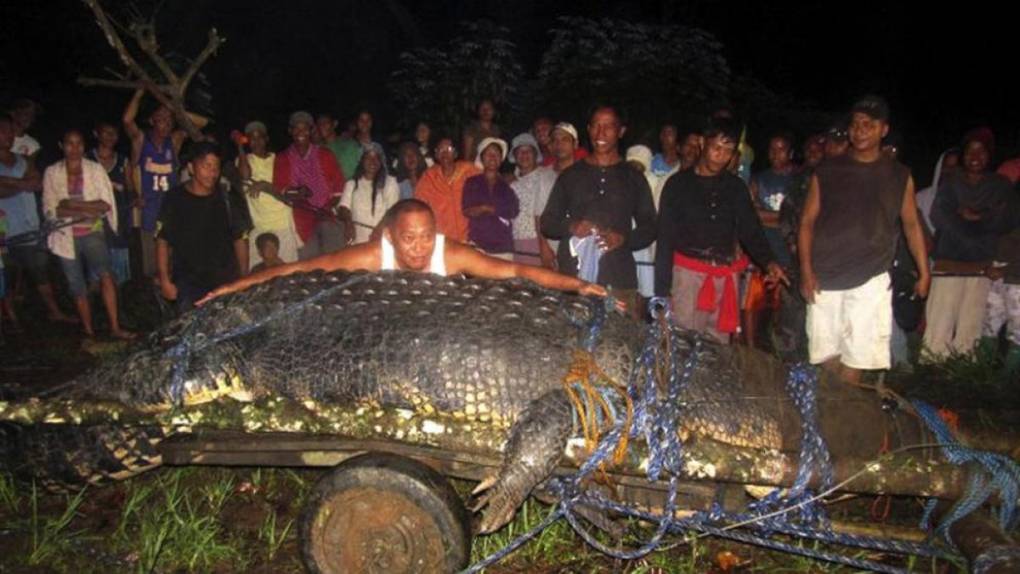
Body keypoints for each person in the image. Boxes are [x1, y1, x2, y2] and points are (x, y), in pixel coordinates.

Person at [199, 199, 611, 305]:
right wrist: (233, 287)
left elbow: (517, 273)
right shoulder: (372, 255)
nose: (418, 248)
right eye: (409, 238)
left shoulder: (450, 255)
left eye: (427, 236)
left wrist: (576, 285)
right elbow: (302, 268)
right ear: (391, 238)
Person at [799, 96, 929, 383]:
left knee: (857, 355)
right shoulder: (829, 169)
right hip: (826, 274)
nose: (860, 131)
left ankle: (845, 419)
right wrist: (806, 271)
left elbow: (911, 224)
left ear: (883, 129)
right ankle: (833, 411)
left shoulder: (898, 174)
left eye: (868, 125)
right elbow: (807, 221)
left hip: (870, 276)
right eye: (856, 124)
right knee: (826, 355)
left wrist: (924, 271)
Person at [655, 118, 787, 343]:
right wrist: (662, 291)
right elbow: (665, 239)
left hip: (724, 278)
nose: (722, 155)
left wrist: (769, 262)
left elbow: (750, 230)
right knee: (682, 344)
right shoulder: (677, 185)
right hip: (688, 278)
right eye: (717, 147)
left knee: (717, 350)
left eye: (728, 150)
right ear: (702, 142)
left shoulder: (736, 188)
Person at [540, 106, 657, 313]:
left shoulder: (633, 178)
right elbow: (548, 223)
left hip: (618, 279)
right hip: (573, 281)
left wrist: (623, 239)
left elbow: (650, 227)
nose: (600, 133)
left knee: (618, 344)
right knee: (570, 342)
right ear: (588, 129)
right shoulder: (571, 176)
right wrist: (572, 226)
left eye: (608, 127)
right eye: (595, 126)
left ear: (620, 131)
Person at [923, 128, 1015, 359]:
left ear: (990, 155)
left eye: (982, 151)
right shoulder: (951, 181)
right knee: (938, 329)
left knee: (970, 330)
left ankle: (963, 380)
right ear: (964, 154)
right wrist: (979, 220)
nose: (975, 156)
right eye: (970, 150)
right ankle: (932, 377)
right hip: (949, 265)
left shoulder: (1001, 185)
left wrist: (973, 216)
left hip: (981, 268)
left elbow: (1006, 220)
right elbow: (939, 217)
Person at [42, 130, 134, 339]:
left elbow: (104, 205)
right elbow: (51, 210)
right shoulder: (52, 172)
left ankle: (115, 326)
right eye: (69, 144)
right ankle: (89, 330)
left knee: (105, 275)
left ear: (84, 146)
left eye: (79, 144)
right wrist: (86, 209)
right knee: (76, 284)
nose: (74, 149)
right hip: (64, 236)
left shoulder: (94, 170)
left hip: (92, 232)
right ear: (61, 145)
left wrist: (71, 204)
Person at [123, 89, 208, 280]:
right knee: (153, 264)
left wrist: (174, 108)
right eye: (160, 118)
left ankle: (174, 299)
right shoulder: (141, 140)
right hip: (149, 207)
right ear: (152, 120)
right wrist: (138, 93)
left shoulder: (175, 141)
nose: (166, 122)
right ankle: (157, 300)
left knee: (173, 257)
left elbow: (202, 123)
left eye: (169, 119)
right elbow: (127, 120)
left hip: (172, 207)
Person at [157, 142, 251, 312]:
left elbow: (240, 238)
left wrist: (243, 279)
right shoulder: (174, 199)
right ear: (191, 168)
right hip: (188, 282)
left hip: (224, 280)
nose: (213, 172)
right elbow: (162, 240)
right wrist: (164, 279)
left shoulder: (228, 198)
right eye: (207, 166)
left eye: (216, 167)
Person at [0, 116, 71, 322]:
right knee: (8, 274)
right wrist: (22, 183)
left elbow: (37, 184)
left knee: (40, 269)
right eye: (3, 131)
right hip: (4, 230)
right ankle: (10, 318)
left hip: (29, 226)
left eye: (10, 131)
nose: (9, 135)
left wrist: (8, 183)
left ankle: (54, 312)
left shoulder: (23, 160)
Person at [745, 132, 797, 347]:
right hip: (762, 251)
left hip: (788, 253)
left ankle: (781, 352)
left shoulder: (798, 180)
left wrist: (766, 216)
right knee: (753, 304)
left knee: (783, 309)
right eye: (772, 149)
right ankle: (749, 349)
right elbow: (750, 213)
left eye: (781, 149)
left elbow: (797, 218)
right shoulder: (759, 179)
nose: (776, 154)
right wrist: (781, 218)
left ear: (791, 152)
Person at [274, 111, 347, 260]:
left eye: (305, 128)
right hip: (302, 222)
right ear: (290, 131)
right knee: (309, 267)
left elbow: (340, 188)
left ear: (311, 130)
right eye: (296, 128)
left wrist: (326, 208)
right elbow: (281, 190)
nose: (301, 133)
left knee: (336, 263)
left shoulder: (325, 154)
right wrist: (297, 192)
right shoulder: (283, 158)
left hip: (329, 217)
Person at [236, 120, 301, 268]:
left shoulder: (279, 160)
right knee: (258, 275)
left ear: (266, 139)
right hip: (259, 226)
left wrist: (265, 186)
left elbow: (288, 191)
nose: (256, 142)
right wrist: (239, 145)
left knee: (288, 272)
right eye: (252, 138)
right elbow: (245, 176)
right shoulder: (244, 161)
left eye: (260, 137)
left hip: (282, 223)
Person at [90, 122, 132, 285]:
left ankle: (119, 295)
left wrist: (133, 198)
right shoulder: (87, 159)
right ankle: (97, 295)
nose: (110, 137)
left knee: (119, 263)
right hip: (94, 217)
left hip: (119, 215)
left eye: (113, 133)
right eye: (106, 132)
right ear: (96, 134)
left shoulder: (122, 161)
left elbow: (129, 187)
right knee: (96, 259)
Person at [415, 136, 479, 243]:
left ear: (456, 153)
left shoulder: (469, 170)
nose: (445, 153)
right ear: (435, 154)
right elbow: (419, 205)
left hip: (470, 239)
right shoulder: (429, 177)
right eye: (440, 150)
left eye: (449, 149)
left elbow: (489, 181)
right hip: (442, 240)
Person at [533, 123, 579, 270]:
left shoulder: (586, 173)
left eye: (565, 139)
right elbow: (539, 214)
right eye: (555, 141)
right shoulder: (543, 175)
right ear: (550, 146)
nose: (559, 145)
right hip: (552, 247)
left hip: (579, 246)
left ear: (575, 144)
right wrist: (544, 247)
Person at [462, 138, 518, 259]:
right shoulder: (472, 182)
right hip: (478, 246)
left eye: (497, 154)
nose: (493, 157)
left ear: (501, 159)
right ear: (481, 158)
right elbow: (467, 210)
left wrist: (485, 209)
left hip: (503, 247)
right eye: (488, 154)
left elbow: (513, 210)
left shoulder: (507, 183)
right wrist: (490, 209)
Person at [625, 145, 661, 311]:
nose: (635, 169)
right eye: (632, 165)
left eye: (639, 166)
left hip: (642, 239)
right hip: (621, 237)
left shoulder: (653, 181)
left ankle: (637, 320)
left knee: (643, 282)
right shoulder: (619, 179)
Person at [340, 143, 400, 244]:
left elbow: (393, 211)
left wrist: (378, 230)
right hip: (357, 242)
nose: (373, 161)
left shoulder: (390, 183)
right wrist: (348, 222)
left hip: (382, 240)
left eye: (377, 158)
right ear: (361, 161)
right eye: (368, 157)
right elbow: (343, 207)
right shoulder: (352, 184)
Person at [508, 133, 548, 266]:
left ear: (536, 154)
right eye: (520, 151)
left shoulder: (547, 176)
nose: (524, 155)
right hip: (516, 244)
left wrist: (546, 246)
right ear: (514, 156)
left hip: (541, 243)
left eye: (528, 151)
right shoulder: (511, 183)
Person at [915, 148, 960, 236]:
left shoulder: (969, 200)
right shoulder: (921, 198)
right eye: (947, 166)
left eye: (955, 167)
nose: (950, 171)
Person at [317, 113, 358, 181]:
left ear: (335, 124)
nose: (322, 126)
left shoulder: (348, 144)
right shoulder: (318, 149)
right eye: (319, 123)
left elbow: (351, 174)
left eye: (325, 122)